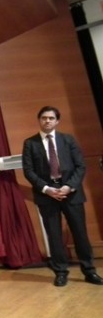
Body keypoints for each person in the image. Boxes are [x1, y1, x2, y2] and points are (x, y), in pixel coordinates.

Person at [22, 105, 103, 287]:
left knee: (80, 234)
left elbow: (80, 166)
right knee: (54, 235)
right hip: (46, 195)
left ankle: (89, 271)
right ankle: (60, 272)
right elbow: (28, 171)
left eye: (51, 118)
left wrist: (69, 187)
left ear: (57, 121)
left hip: (71, 193)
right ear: (39, 120)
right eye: (44, 118)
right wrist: (47, 189)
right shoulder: (30, 143)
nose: (47, 121)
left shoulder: (68, 140)